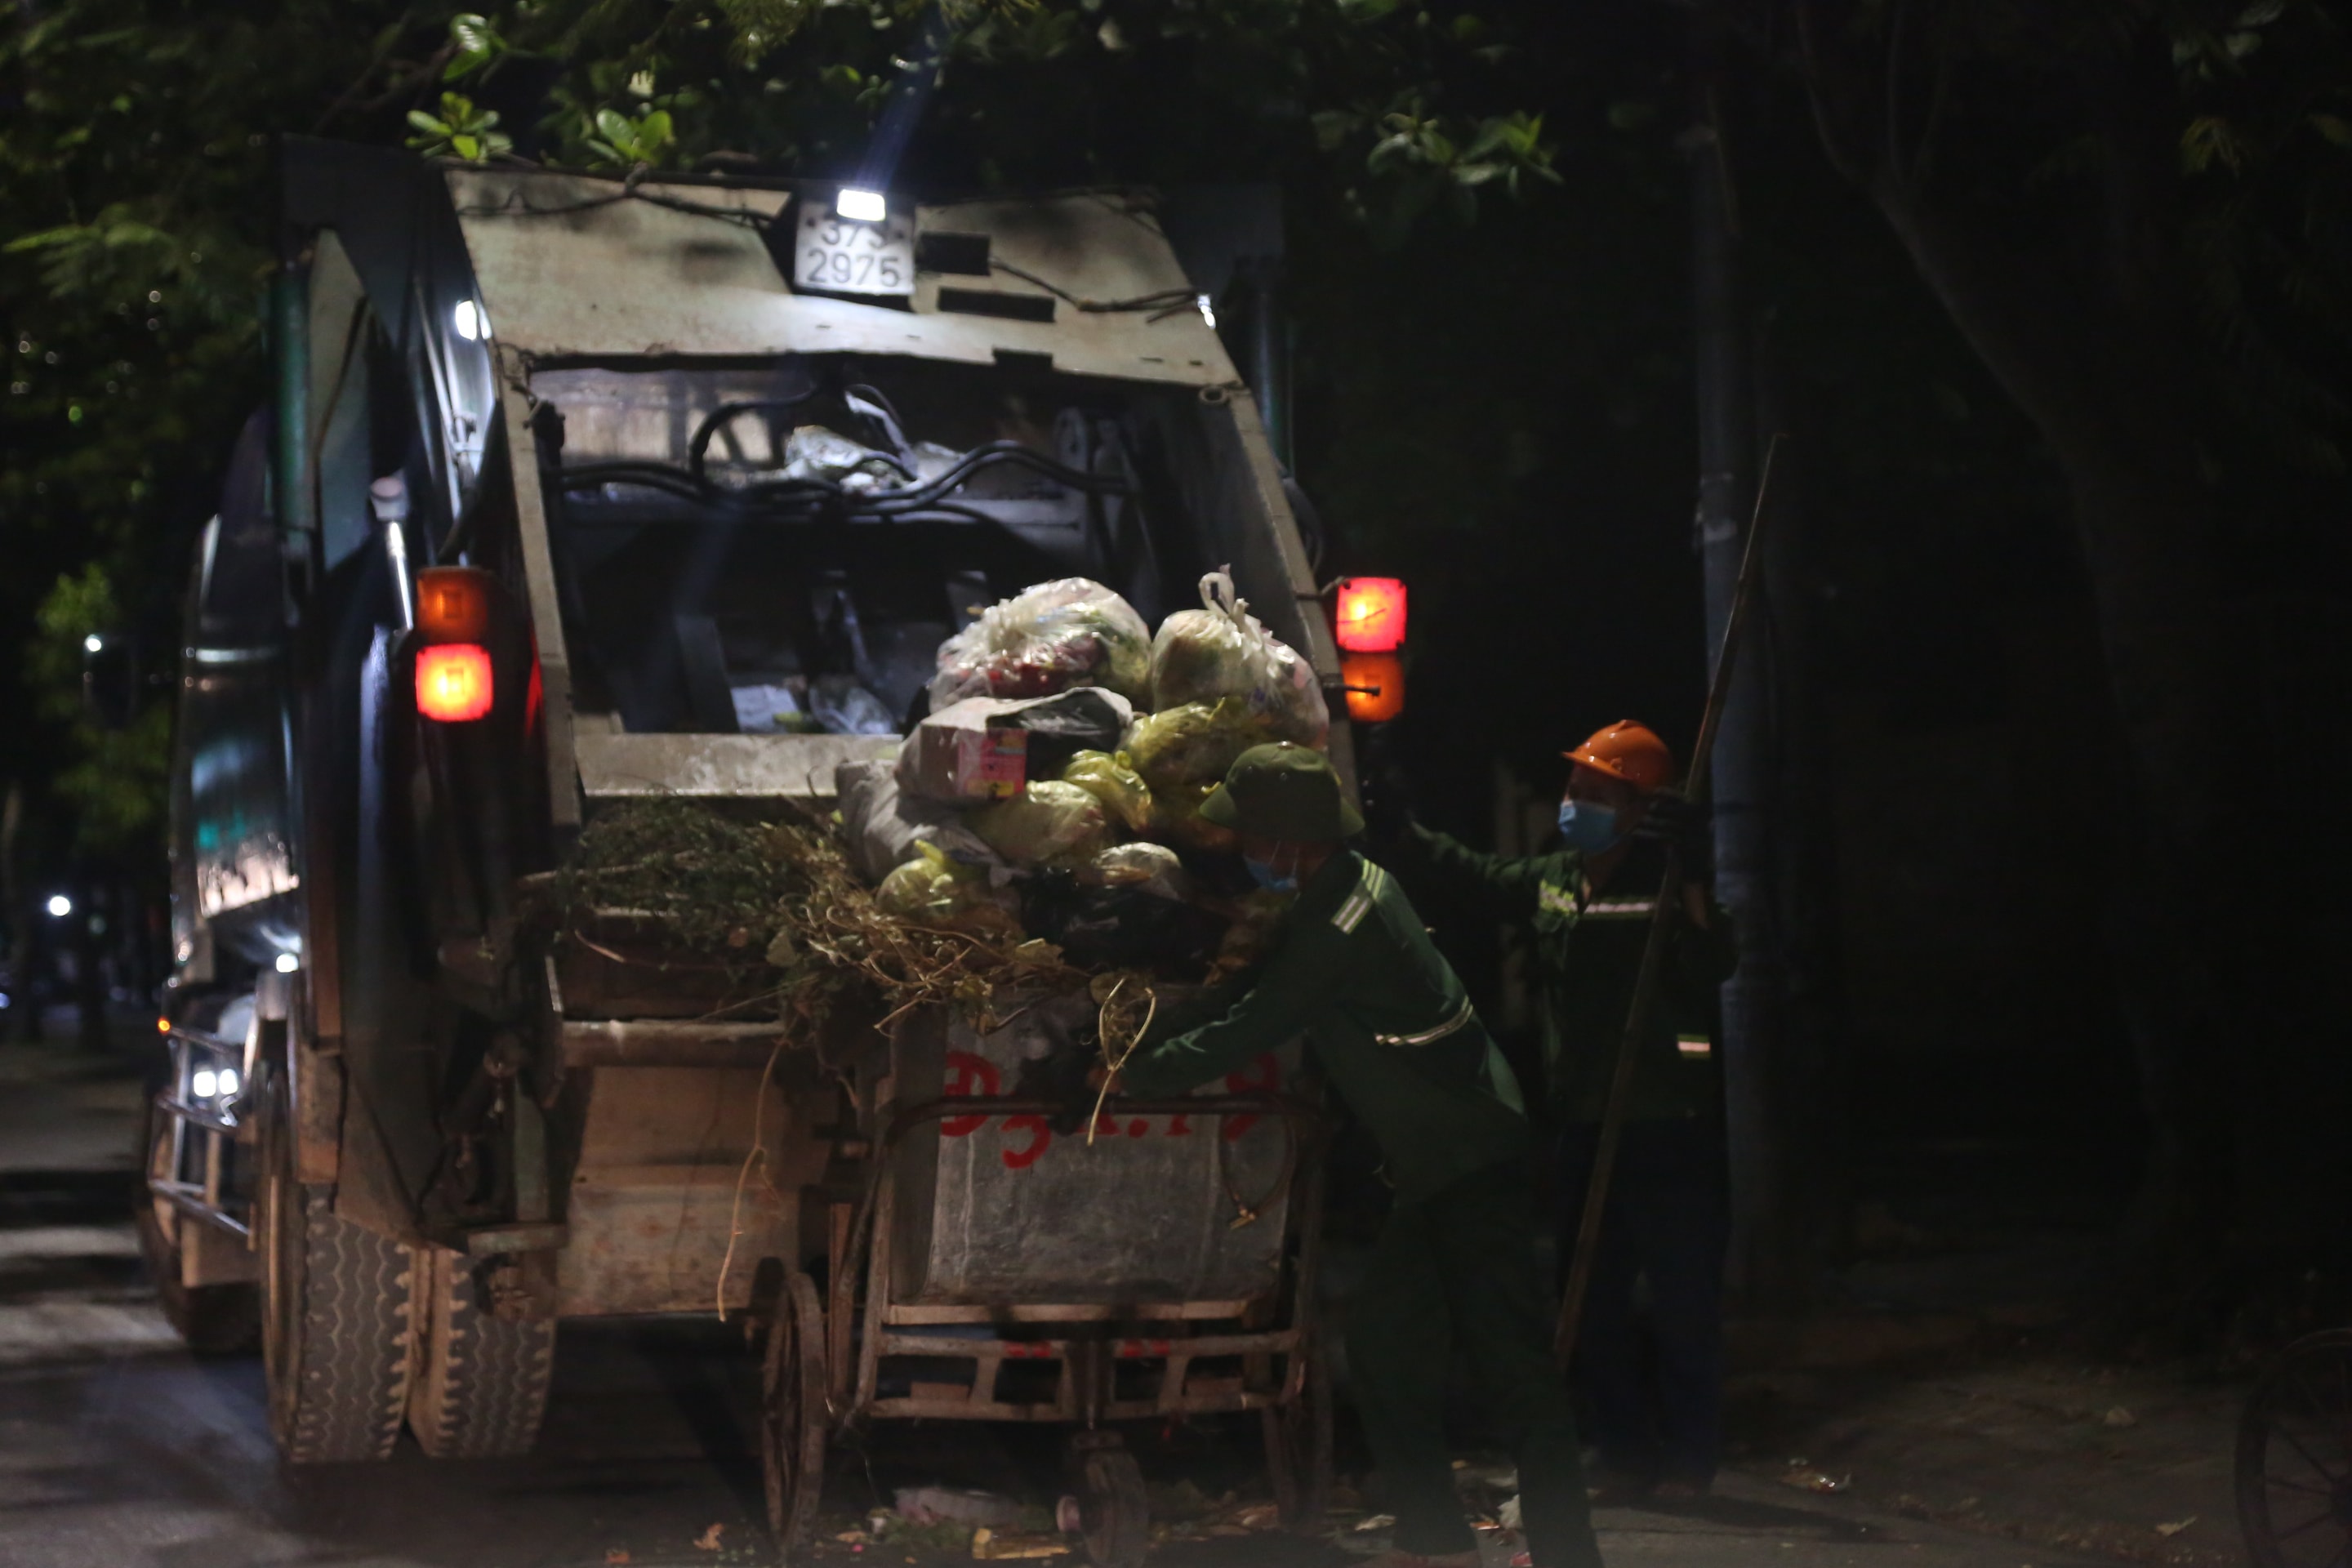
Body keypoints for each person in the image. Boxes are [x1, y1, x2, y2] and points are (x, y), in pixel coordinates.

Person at [1108, 742, 1602, 1568]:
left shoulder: (1345, 920)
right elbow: (1249, 993)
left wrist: (1135, 1077)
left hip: (1467, 1160)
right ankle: (1438, 1541)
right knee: (1383, 1351)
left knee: (1512, 1368)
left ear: (1289, 839)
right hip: (1434, 1165)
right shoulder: (1335, 892)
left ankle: (1566, 1553)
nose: (1243, 853)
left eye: (1252, 838)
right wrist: (1142, 1039)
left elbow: (1259, 1022)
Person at [1381, 720, 1736, 1500]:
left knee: (1682, 1306)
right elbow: (1470, 873)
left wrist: (1699, 877)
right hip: (1582, 1121)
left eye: (1596, 795)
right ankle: (1622, 1452)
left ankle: (1689, 1461)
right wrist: (1400, 830)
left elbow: (1717, 964)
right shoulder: (1554, 879)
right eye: (1575, 791)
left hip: (1667, 1123)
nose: (1575, 804)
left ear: (1640, 810)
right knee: (1593, 1298)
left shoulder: (1668, 879)